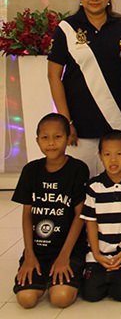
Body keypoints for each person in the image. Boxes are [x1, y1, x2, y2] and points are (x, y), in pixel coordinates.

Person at [48, 0, 121, 176]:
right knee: (80, 181)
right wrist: (66, 121)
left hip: (118, 121)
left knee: (118, 183)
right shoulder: (66, 28)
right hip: (79, 125)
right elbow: (53, 76)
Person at [12, 113, 90, 309]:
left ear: (68, 138)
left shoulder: (78, 169)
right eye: (45, 137)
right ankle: (42, 275)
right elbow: (27, 215)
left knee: (60, 298)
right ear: (37, 140)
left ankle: (73, 276)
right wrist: (29, 255)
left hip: (69, 249)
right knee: (26, 299)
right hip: (39, 249)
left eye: (58, 137)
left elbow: (80, 216)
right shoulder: (31, 170)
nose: (51, 143)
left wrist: (64, 256)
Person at [81, 130, 121, 302]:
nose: (113, 160)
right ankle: (106, 274)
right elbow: (90, 223)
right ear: (100, 156)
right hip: (100, 252)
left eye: (119, 154)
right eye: (107, 154)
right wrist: (97, 254)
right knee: (91, 294)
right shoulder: (94, 186)